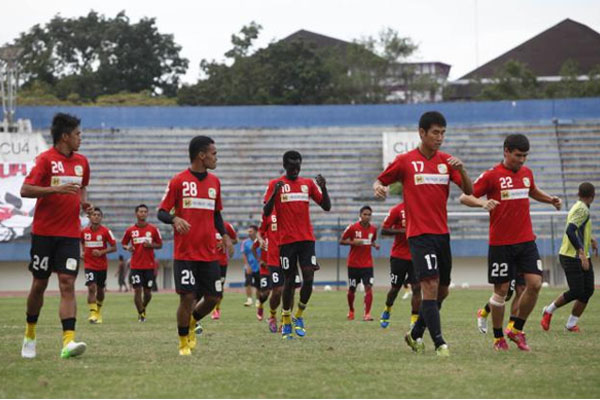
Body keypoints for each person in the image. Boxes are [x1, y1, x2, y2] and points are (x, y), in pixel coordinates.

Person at [374, 111, 473, 357]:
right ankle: (439, 342)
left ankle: (415, 333)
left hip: (442, 234)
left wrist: (464, 169)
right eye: (435, 133)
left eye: (443, 133)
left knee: (443, 291)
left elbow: (470, 191)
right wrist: (379, 187)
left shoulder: (447, 162)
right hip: (419, 235)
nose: (440, 138)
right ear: (422, 133)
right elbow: (381, 180)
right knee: (429, 285)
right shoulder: (406, 160)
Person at [459, 133, 562, 351]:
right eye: (518, 155)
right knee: (502, 292)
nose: (522, 160)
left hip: (526, 241)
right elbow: (464, 196)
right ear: (506, 151)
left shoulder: (526, 173)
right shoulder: (492, 175)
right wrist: (481, 203)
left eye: (525, 156)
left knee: (534, 284)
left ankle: (516, 329)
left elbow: (531, 190)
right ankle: (498, 339)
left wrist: (549, 198)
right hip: (501, 244)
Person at [20, 112, 92, 359]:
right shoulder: (45, 160)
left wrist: (84, 204)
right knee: (39, 284)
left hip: (70, 234)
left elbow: (82, 187)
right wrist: (55, 189)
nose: (80, 138)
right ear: (65, 137)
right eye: (77, 134)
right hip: (44, 233)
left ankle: (68, 342)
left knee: (67, 283)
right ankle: (30, 333)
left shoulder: (82, 162)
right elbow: (25, 189)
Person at [157, 135, 233, 356]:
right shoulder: (178, 181)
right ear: (202, 155)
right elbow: (161, 212)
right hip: (185, 253)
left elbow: (216, 214)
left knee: (213, 298)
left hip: (209, 253)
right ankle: (183, 342)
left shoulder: (215, 183)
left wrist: (225, 236)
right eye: (214, 153)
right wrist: (175, 219)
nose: (216, 157)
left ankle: (190, 322)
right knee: (187, 297)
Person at [263, 150, 331, 339]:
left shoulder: (307, 184)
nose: (295, 169)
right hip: (286, 242)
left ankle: (299, 315)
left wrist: (323, 188)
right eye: (292, 166)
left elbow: (326, 206)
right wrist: (274, 194)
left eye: (298, 166)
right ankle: (285, 320)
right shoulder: (275, 184)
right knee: (289, 283)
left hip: (306, 240)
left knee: (308, 277)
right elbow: (266, 212)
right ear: (284, 165)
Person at [541, 182, 596, 332]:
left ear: (579, 194)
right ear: (593, 196)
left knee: (588, 290)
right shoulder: (582, 210)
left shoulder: (579, 207)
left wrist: (590, 240)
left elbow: (578, 228)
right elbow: (570, 231)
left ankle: (571, 324)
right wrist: (581, 253)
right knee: (577, 291)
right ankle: (548, 310)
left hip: (581, 255)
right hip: (571, 255)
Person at [379, 202, 421, 329]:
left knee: (417, 288)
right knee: (395, 289)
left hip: (416, 255)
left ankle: (414, 320)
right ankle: (387, 309)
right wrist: (402, 231)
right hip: (399, 256)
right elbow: (384, 230)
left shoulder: (421, 207)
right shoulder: (397, 209)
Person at [122, 204, 163, 322]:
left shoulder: (153, 229)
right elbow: (124, 243)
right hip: (136, 266)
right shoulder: (130, 230)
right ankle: (141, 314)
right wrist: (127, 247)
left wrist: (151, 245)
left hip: (149, 266)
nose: (143, 213)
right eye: (141, 211)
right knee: (137, 290)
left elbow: (160, 245)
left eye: (145, 211)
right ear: (136, 213)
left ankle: (142, 308)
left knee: (148, 293)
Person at [340, 205, 380, 321]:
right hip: (353, 264)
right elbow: (341, 241)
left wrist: (374, 245)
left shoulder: (373, 229)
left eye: (369, 215)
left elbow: (371, 240)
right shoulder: (352, 228)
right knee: (352, 289)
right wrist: (353, 242)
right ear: (360, 215)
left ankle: (367, 314)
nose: (367, 217)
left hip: (367, 264)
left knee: (368, 287)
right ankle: (351, 310)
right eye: (365, 214)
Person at [81, 207, 117, 324]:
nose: (96, 216)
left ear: (101, 217)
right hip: (89, 264)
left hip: (101, 265)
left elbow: (114, 247)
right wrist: (82, 252)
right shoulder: (84, 232)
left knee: (100, 290)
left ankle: (98, 312)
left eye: (98, 215)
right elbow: (80, 242)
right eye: (94, 214)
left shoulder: (106, 231)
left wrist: (101, 252)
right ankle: (92, 314)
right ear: (90, 217)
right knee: (91, 287)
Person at [211, 221, 238, 320]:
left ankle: (216, 309)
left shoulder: (226, 225)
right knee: (208, 287)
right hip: (208, 261)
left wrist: (225, 242)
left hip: (222, 262)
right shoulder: (204, 224)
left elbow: (235, 240)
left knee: (219, 288)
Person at [241, 226, 261, 307]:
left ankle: (258, 300)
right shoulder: (245, 242)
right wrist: (247, 265)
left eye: (251, 231)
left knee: (258, 285)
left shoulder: (260, 241)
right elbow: (244, 254)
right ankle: (249, 300)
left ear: (256, 232)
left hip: (259, 266)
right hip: (249, 266)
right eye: (248, 231)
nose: (249, 233)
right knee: (248, 283)